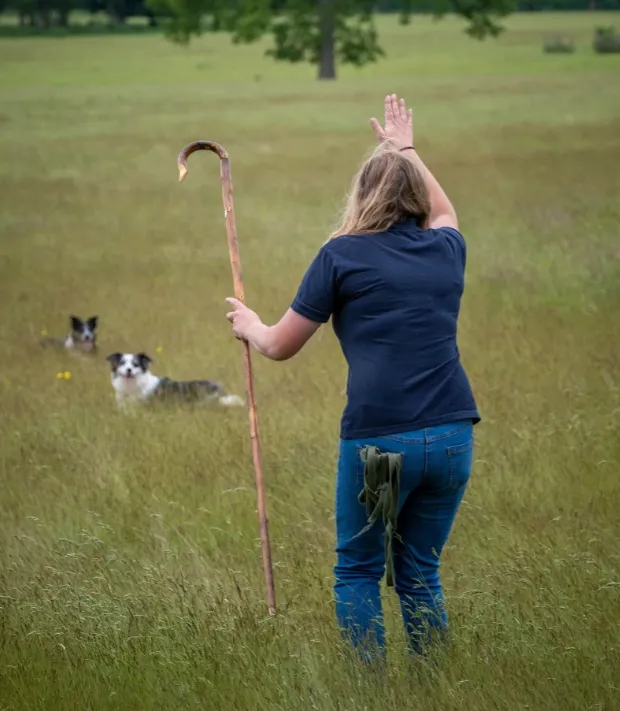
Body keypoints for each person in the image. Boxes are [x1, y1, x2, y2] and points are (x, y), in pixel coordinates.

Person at [225, 94, 480, 657]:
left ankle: (370, 691)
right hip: (452, 437)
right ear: (415, 195)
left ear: (361, 196)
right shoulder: (445, 249)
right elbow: (445, 211)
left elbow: (279, 346)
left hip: (382, 445)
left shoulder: (341, 256)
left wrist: (249, 324)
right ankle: (435, 688)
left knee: (360, 572)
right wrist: (406, 149)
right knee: (419, 572)